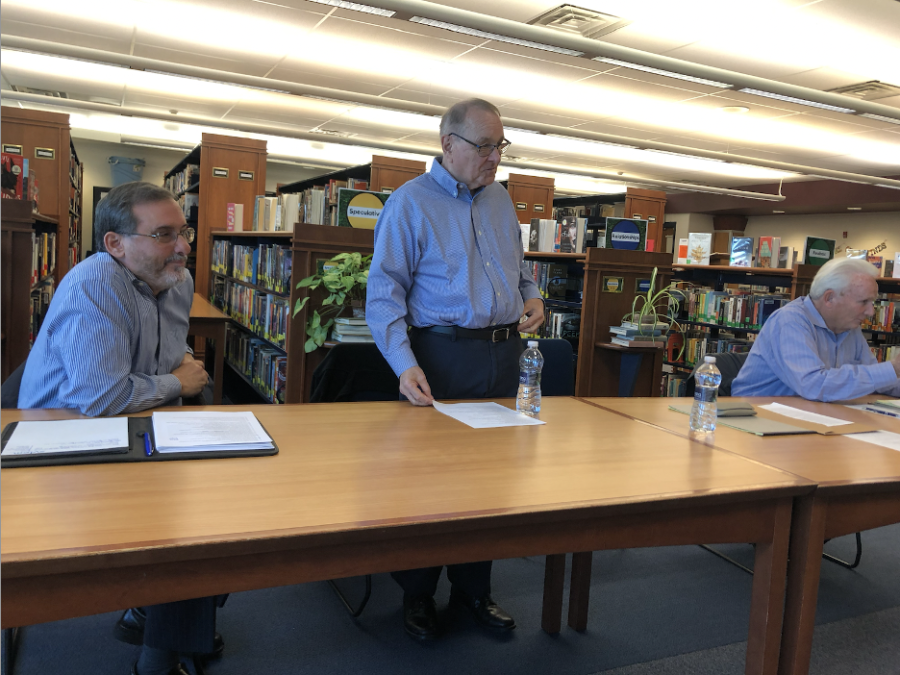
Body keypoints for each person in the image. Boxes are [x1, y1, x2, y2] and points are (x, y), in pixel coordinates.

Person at [19, 181, 220, 675]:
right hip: (62, 442)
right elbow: (100, 398)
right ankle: (159, 652)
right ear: (115, 244)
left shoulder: (175, 282)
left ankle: (155, 614)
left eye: (185, 232)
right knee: (181, 530)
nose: (183, 246)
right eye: (165, 234)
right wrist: (178, 381)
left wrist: (182, 368)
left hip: (132, 425)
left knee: (218, 508)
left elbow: (170, 357)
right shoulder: (95, 285)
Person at [366, 98, 544, 641]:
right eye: (484, 146)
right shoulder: (409, 204)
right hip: (439, 355)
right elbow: (384, 293)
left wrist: (532, 295)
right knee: (429, 484)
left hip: (502, 354)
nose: (495, 158)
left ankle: (473, 590)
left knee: (491, 484)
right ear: (448, 145)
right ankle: (418, 593)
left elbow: (516, 271)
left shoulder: (502, 201)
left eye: (500, 146)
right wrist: (403, 364)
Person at [732, 257, 900, 401]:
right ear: (829, 298)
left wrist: (893, 373)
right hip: (757, 416)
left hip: (812, 414)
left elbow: (880, 380)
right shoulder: (790, 321)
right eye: (863, 302)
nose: (871, 312)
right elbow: (814, 385)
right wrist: (893, 368)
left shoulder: (849, 327)